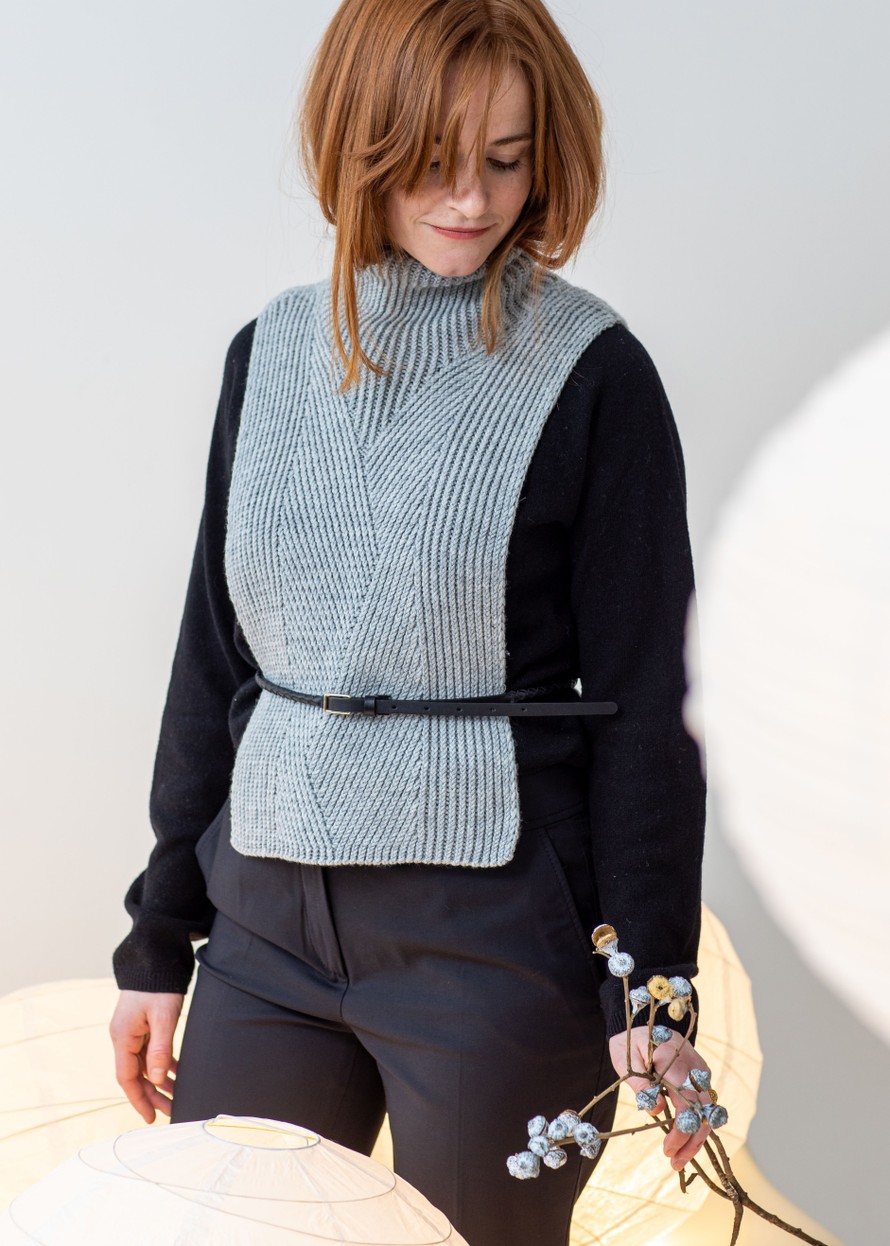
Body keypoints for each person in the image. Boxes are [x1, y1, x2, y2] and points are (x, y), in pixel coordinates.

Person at [109, 2, 709, 1243]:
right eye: (431, 161)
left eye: (505, 159)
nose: (471, 199)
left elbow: (653, 701)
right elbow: (215, 659)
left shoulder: (593, 374)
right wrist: (158, 940)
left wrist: (651, 987)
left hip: (495, 940)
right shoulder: (267, 354)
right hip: (263, 924)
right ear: (357, 146)